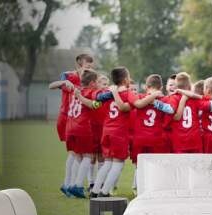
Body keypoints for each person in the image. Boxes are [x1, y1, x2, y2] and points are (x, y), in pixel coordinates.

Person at [48, 54, 94, 197]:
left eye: (91, 66)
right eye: (87, 66)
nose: (89, 69)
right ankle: (72, 184)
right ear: (79, 66)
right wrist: (63, 83)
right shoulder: (69, 76)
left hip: (75, 119)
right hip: (70, 118)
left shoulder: (87, 80)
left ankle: (69, 184)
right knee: (77, 153)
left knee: (75, 153)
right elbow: (52, 85)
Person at [90, 67, 133, 198]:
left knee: (107, 162)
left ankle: (95, 190)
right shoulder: (127, 94)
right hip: (118, 133)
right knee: (118, 164)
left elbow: (97, 99)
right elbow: (125, 107)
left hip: (107, 130)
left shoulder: (107, 93)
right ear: (125, 80)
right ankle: (104, 192)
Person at [128, 74, 174, 189]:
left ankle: (137, 187)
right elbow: (169, 114)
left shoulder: (140, 97)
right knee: (157, 165)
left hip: (140, 137)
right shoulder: (164, 100)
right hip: (156, 137)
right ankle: (155, 187)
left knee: (139, 165)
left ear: (146, 87)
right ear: (161, 87)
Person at [168, 72, 212, 153]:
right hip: (195, 138)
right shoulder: (197, 99)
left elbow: (175, 117)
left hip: (179, 139)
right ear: (190, 86)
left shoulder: (172, 98)